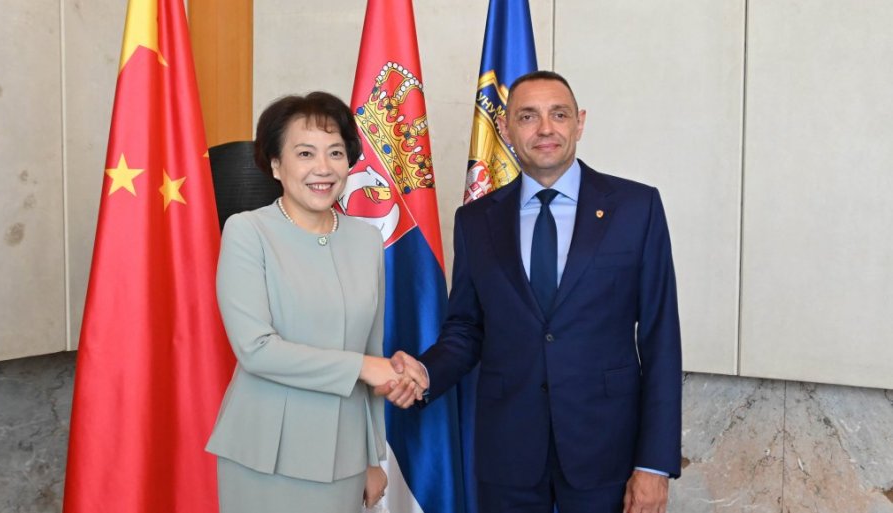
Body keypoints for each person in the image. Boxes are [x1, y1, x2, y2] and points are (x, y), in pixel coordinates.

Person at [387, 71, 682, 513]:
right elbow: (466, 327)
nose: (545, 128)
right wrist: (428, 373)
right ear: (505, 129)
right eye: (528, 116)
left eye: (558, 114)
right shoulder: (476, 220)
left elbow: (661, 339)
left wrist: (654, 464)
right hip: (509, 453)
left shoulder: (637, 208)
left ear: (580, 123)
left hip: (607, 451)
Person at [206, 92, 415, 513]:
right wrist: (362, 367)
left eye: (335, 152)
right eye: (305, 153)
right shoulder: (248, 232)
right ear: (276, 165)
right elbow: (256, 349)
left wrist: (372, 456)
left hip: (345, 456)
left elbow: (370, 347)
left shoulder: (366, 239)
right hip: (266, 454)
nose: (323, 168)